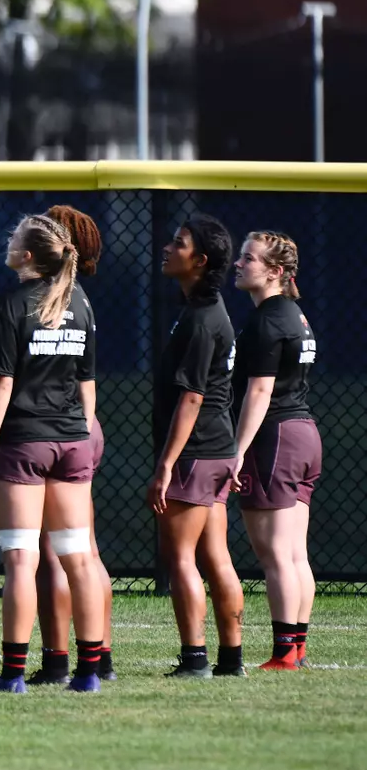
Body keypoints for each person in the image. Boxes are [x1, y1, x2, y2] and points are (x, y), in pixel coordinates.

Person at [0, 214, 103, 693]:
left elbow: (2, 382)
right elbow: (87, 384)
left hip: (24, 442)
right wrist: (84, 433)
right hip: (72, 440)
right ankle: (88, 673)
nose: (7, 242)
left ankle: (12, 674)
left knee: (21, 560)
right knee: (79, 558)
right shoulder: (81, 303)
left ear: (26, 256)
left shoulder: (11, 304)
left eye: (14, 239)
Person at [148, 216, 243, 678]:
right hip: (217, 449)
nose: (168, 247)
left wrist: (166, 464)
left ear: (200, 261)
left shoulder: (203, 320)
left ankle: (196, 660)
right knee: (214, 555)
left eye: (179, 243)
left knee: (181, 556)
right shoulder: (205, 311)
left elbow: (192, 397)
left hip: (197, 451)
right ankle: (231, 660)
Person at [30, 204, 116, 684]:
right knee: (86, 551)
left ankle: (59, 657)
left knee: (55, 552)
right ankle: (99, 654)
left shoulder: (46, 299)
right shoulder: (80, 298)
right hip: (83, 425)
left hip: (55, 429)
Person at [230, 231, 321, 671]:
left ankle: (286, 651)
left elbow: (261, 390)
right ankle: (295, 648)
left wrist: (237, 450)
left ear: (276, 272)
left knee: (277, 555)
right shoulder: (295, 314)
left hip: (278, 435)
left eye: (249, 258)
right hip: (303, 432)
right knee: (294, 553)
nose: (239, 263)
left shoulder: (269, 318)